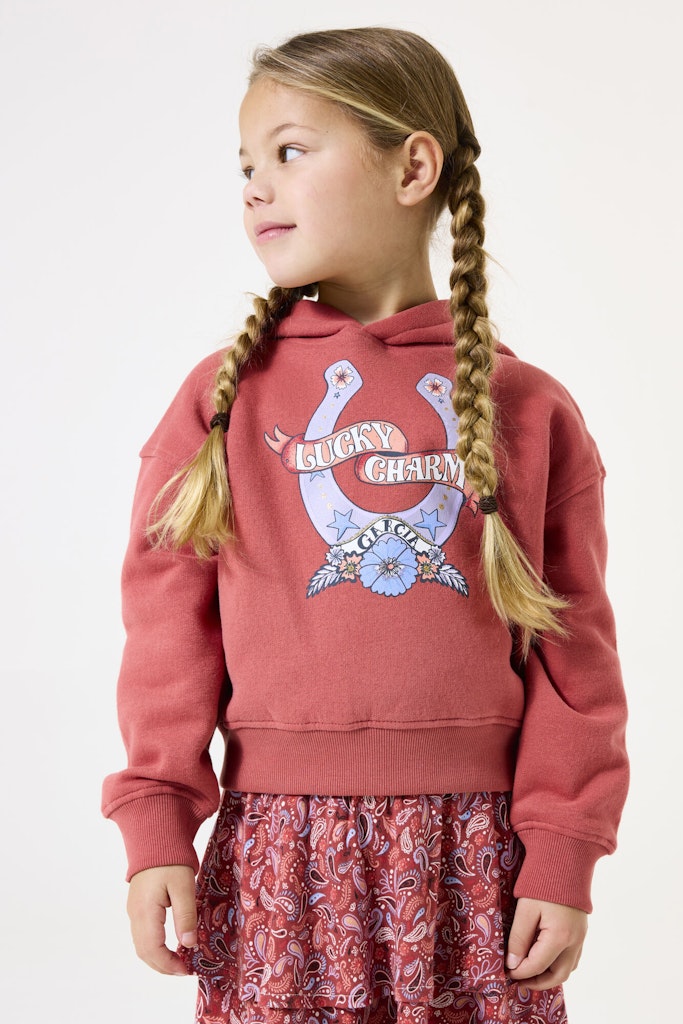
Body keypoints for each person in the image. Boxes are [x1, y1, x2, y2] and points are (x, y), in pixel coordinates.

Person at [101, 26, 628, 1024]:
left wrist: (564, 847)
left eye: (290, 151)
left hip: (477, 863)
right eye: (246, 166)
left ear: (411, 167)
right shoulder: (221, 403)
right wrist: (157, 821)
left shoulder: (528, 409)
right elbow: (166, 633)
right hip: (278, 854)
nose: (256, 186)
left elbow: (576, 655)